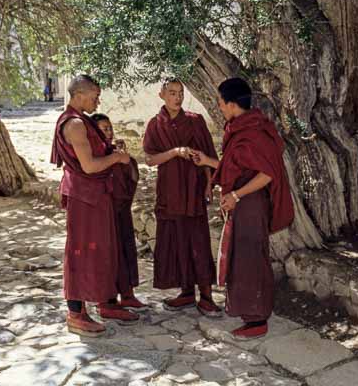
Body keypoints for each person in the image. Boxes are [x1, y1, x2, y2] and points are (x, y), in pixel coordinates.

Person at [192, 77, 294, 339]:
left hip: (251, 204)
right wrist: (207, 161)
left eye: (221, 102)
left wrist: (236, 195)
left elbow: (267, 174)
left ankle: (258, 318)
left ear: (232, 103)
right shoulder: (238, 129)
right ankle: (245, 310)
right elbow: (236, 166)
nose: (220, 107)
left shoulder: (255, 132)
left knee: (251, 259)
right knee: (240, 258)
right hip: (241, 203)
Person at [50, 75, 140, 337]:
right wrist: (117, 158)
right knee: (82, 253)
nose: (97, 100)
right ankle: (76, 314)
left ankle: (106, 302)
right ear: (80, 94)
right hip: (84, 197)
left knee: (104, 251)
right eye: (95, 96)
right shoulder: (75, 124)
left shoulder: (83, 120)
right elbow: (89, 166)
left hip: (97, 195)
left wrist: (110, 151)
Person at [143, 78, 221, 317]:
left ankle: (206, 296)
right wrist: (175, 152)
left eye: (180, 93)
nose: (177, 98)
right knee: (177, 242)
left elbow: (208, 155)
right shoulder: (155, 125)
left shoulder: (195, 122)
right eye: (172, 93)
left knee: (198, 240)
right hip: (169, 191)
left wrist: (208, 184)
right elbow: (149, 159)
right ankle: (187, 292)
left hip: (193, 189)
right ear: (162, 95)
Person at [92, 113, 147, 311]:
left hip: (122, 211)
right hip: (104, 213)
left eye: (109, 128)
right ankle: (107, 300)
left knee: (126, 251)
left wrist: (126, 159)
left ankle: (128, 294)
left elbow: (133, 177)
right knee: (108, 255)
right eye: (103, 129)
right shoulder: (93, 156)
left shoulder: (117, 152)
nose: (108, 132)